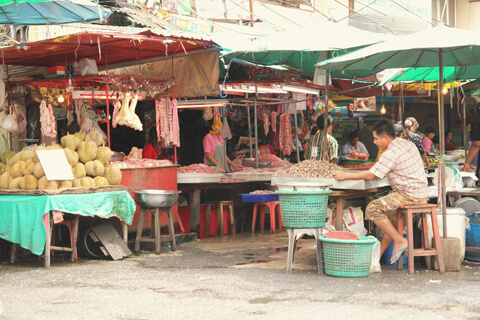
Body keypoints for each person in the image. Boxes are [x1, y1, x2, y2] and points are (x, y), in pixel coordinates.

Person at [333, 120, 428, 264]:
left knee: (372, 208)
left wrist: (345, 175)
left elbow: (372, 175)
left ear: (385, 137)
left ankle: (399, 240)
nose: (374, 142)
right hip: (421, 194)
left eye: (376, 138)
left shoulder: (391, 153)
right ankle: (375, 260)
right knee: (390, 222)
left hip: (409, 195)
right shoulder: (409, 144)